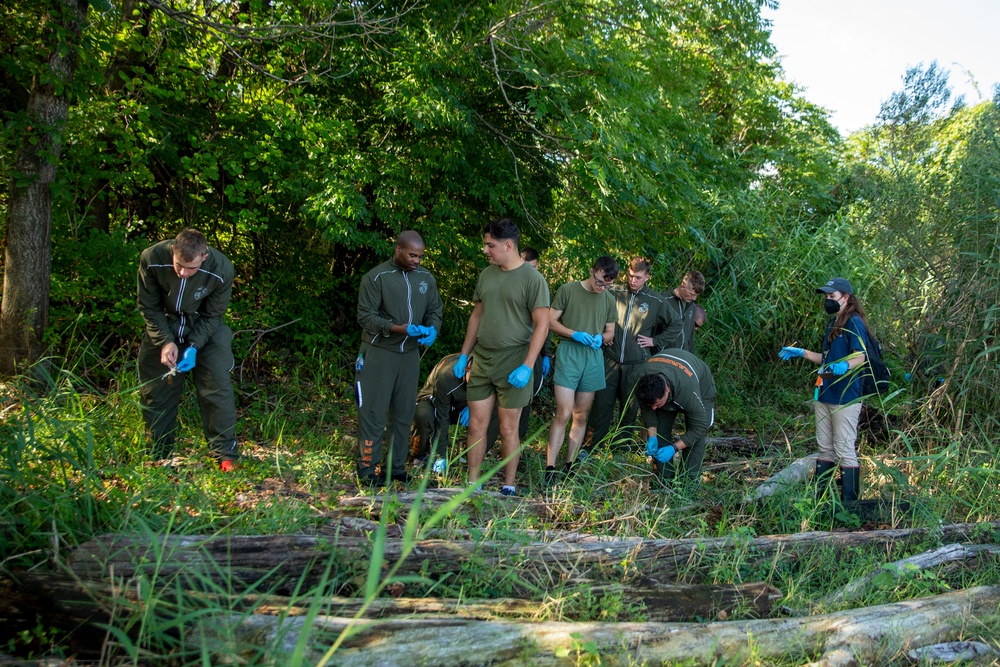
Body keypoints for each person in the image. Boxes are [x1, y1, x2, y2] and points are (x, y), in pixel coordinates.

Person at [454, 218, 550, 497]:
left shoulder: (533, 280)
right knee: (476, 424)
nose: (485, 250)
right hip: (483, 359)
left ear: (508, 245)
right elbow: (476, 316)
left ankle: (509, 484)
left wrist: (527, 366)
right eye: (486, 244)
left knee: (509, 428)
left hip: (514, 359)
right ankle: (473, 482)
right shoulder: (487, 274)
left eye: (490, 245)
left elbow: (542, 324)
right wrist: (464, 355)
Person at [137, 228, 239, 470]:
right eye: (178, 265)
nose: (183, 273)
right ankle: (159, 452)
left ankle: (225, 454)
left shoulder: (222, 269)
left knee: (217, 386)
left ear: (203, 256)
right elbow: (148, 307)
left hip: (206, 329)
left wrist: (193, 345)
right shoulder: (151, 259)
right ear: (173, 251)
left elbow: (213, 315)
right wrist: (165, 341)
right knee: (157, 386)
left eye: (190, 268)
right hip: (164, 324)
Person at [355, 231, 443, 487]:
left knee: (405, 413)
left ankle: (394, 468)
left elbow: (435, 309)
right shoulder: (376, 277)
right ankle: (367, 469)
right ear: (398, 250)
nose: (417, 260)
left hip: (409, 356)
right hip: (379, 353)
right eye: (412, 255)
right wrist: (398, 328)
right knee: (373, 412)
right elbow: (366, 317)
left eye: (421, 256)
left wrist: (432, 329)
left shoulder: (426, 278)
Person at [777, 277, 871, 503]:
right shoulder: (833, 323)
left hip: (845, 396)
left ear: (846, 298)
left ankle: (850, 504)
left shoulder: (854, 322)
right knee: (825, 448)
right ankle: (822, 500)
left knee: (844, 448)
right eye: (826, 297)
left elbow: (861, 356)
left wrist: (845, 365)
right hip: (824, 392)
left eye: (832, 297)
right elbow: (826, 359)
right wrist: (802, 353)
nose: (828, 301)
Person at [585, 257, 671, 455]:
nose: (633, 281)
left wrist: (654, 341)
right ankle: (590, 446)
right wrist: (603, 334)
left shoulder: (656, 301)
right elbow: (598, 311)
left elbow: (674, 323)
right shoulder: (614, 292)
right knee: (601, 404)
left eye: (638, 277)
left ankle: (620, 449)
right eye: (631, 276)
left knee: (630, 408)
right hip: (610, 359)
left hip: (637, 363)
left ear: (647, 277)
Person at [545, 256, 619, 483]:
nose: (602, 288)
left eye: (607, 285)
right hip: (570, 353)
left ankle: (570, 465)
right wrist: (573, 333)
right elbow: (550, 321)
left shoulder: (607, 299)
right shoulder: (568, 290)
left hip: (593, 358)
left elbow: (610, 332)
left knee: (581, 415)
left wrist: (600, 338)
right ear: (591, 271)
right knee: (564, 412)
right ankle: (550, 468)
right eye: (599, 282)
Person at [409, 353, 503, 474]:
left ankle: (475, 456)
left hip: (463, 406)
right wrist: (440, 455)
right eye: (475, 380)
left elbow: (494, 395)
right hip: (434, 403)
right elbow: (441, 416)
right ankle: (420, 455)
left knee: (495, 410)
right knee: (424, 415)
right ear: (467, 368)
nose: (478, 385)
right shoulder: (447, 376)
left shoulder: (490, 371)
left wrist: (472, 406)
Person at [634, 349, 716, 486]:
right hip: (668, 377)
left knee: (695, 437)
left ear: (666, 390)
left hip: (700, 386)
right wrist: (652, 436)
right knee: (660, 431)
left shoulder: (687, 390)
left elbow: (699, 427)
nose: (654, 408)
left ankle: (689, 482)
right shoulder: (641, 381)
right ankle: (665, 480)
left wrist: (674, 448)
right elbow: (647, 410)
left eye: (657, 404)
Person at [660, 270, 705, 352]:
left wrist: (690, 359)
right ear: (683, 286)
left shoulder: (691, 306)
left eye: (696, 295)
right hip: (664, 358)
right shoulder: (663, 302)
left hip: (683, 359)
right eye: (692, 294)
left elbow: (690, 338)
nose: (694, 298)